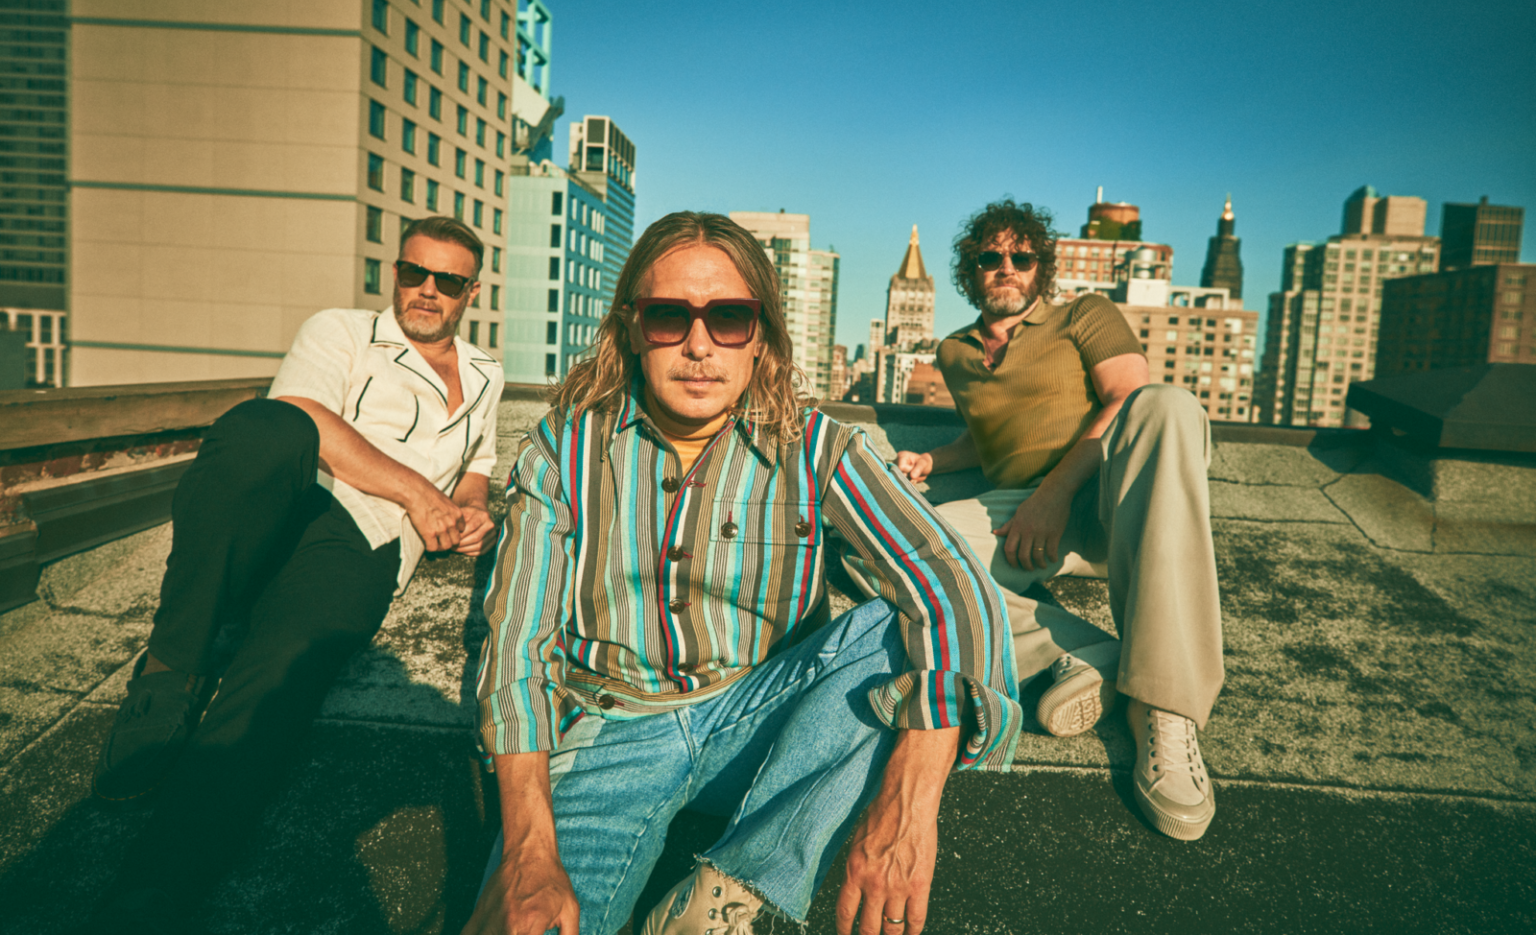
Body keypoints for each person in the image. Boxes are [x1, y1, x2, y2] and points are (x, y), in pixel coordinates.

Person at [465, 212, 1020, 935]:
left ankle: (729, 892)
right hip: (608, 726)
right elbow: (517, 645)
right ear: (632, 328)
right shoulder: (564, 450)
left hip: (761, 715)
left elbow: (952, 579)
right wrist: (527, 850)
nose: (699, 345)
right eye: (669, 316)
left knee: (894, 626)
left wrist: (911, 802)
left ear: (760, 336)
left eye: (728, 318)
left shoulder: (814, 445)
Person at [81, 215, 504, 933]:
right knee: (262, 425)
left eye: (447, 280)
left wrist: (470, 508)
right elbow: (301, 415)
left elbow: (477, 464)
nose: (427, 290)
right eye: (413, 272)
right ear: (395, 272)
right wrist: (418, 492)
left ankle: (154, 890)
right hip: (299, 499)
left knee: (277, 683)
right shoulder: (342, 330)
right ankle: (170, 670)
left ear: (471, 292)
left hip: (367, 542)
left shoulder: (486, 373)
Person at [894, 198, 1223, 842]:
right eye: (991, 257)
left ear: (1041, 266)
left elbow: (1129, 399)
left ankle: (1165, 707)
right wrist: (932, 460)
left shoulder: (1084, 314)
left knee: (1168, 405)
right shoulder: (954, 352)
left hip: (1107, 496)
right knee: (883, 548)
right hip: (1021, 511)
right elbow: (988, 437)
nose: (1007, 267)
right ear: (970, 269)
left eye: (1022, 257)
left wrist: (1054, 493)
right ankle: (1085, 655)